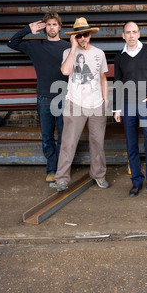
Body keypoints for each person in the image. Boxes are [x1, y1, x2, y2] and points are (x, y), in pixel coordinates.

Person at [7, 13, 70, 182]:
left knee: (64, 137)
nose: (51, 27)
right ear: (44, 28)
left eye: (54, 24)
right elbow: (12, 43)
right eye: (48, 24)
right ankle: (51, 170)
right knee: (47, 136)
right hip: (44, 98)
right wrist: (28, 29)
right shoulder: (36, 46)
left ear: (60, 27)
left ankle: (62, 171)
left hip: (65, 98)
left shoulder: (68, 47)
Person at [54, 17, 110, 192]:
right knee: (68, 143)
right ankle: (62, 179)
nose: (83, 39)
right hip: (75, 104)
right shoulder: (68, 52)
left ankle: (98, 175)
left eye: (85, 35)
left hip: (96, 105)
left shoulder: (99, 53)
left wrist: (105, 100)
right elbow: (65, 71)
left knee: (97, 143)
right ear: (74, 37)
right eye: (78, 36)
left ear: (90, 35)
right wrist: (72, 48)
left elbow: (103, 77)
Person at [113, 21, 147, 203]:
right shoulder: (120, 57)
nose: (132, 35)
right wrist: (117, 108)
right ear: (123, 35)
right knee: (131, 144)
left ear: (139, 34)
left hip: (146, 102)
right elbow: (118, 82)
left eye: (134, 32)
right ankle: (136, 181)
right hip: (127, 104)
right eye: (128, 32)